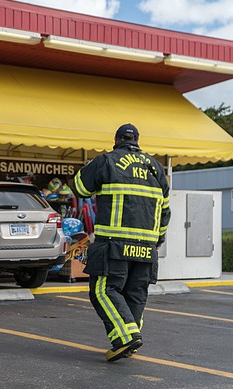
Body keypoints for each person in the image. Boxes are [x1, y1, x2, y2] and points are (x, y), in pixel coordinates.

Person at [73, 123, 171, 362]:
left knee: (103, 290)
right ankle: (131, 338)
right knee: (135, 294)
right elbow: (166, 211)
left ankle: (126, 337)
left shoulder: (107, 160)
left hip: (114, 244)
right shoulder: (157, 168)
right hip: (147, 248)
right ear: (137, 141)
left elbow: (79, 187)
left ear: (116, 140)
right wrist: (158, 239)